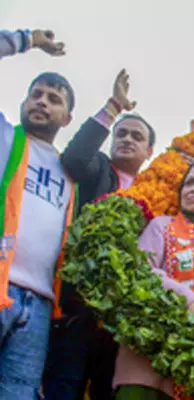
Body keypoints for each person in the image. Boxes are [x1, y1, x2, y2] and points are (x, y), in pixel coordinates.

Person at [42, 70, 155, 400]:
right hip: (80, 307)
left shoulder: (159, 192)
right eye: (121, 133)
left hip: (123, 321)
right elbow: (75, 158)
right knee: (65, 387)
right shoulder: (100, 170)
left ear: (150, 151)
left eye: (136, 136)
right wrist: (113, 108)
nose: (127, 139)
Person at [113, 161, 194, 400]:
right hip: (149, 364)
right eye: (190, 182)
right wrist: (190, 301)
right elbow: (140, 273)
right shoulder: (162, 226)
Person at [0, 28, 79, 398]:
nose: (42, 102)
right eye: (36, 94)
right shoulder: (5, 140)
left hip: (40, 306)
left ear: (66, 118)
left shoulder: (71, 171)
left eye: (53, 98)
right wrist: (27, 40)